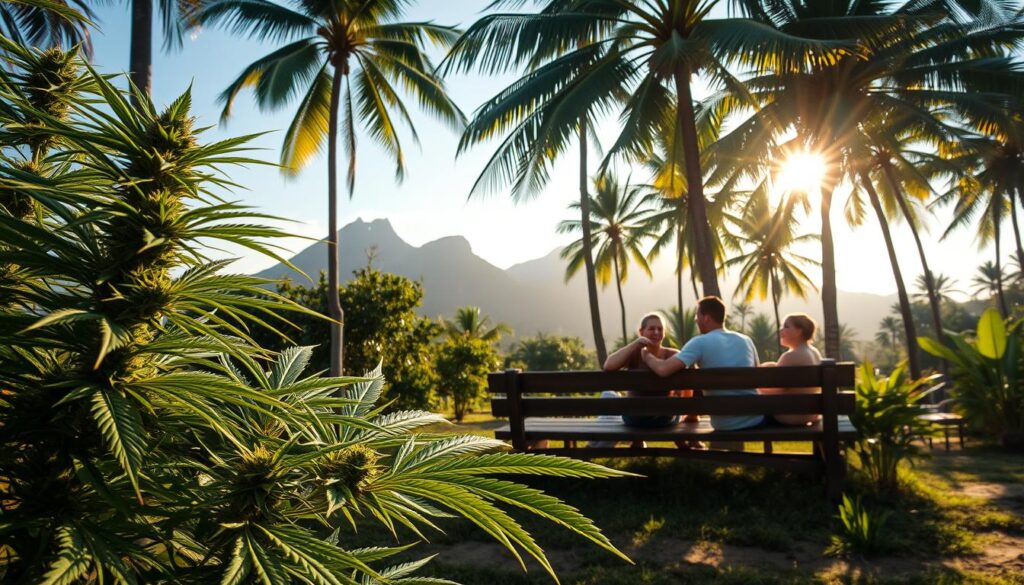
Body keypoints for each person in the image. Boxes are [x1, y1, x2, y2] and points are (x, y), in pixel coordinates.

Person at [641, 296, 764, 431]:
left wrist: (646, 355)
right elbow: (757, 377)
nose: (695, 320)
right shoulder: (746, 340)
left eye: (697, 315)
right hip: (756, 418)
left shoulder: (700, 342)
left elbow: (663, 370)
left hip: (725, 423)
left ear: (706, 318)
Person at [602, 312, 694, 428]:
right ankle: (680, 441)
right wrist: (635, 344)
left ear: (664, 333)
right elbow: (608, 365)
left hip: (651, 419)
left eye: (660, 329)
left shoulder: (671, 355)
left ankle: (637, 442)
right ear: (641, 332)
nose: (656, 332)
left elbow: (607, 366)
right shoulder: (634, 354)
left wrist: (646, 355)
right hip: (653, 419)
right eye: (651, 329)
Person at [758, 313, 823, 426]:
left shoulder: (790, 356)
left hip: (789, 416)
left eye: (786, 326)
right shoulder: (814, 352)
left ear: (799, 331)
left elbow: (776, 389)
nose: (781, 330)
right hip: (810, 414)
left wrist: (756, 388)